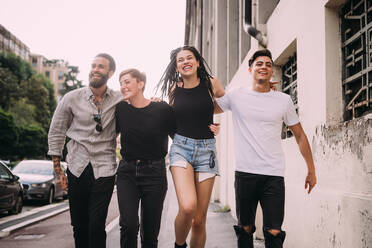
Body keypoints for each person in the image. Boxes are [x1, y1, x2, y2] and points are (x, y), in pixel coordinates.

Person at [215, 49, 317, 248]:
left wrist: (311, 170)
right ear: (250, 69)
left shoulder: (283, 100)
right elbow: (207, 108)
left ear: (272, 72)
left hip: (273, 174)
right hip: (245, 173)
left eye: (268, 65)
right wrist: (205, 83)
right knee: (244, 229)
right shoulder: (236, 95)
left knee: (274, 232)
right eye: (259, 64)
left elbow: (300, 135)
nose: (264, 67)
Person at [48, 53, 122, 248]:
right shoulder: (71, 98)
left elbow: (139, 103)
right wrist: (58, 172)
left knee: (97, 224)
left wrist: (156, 100)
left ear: (110, 72)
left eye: (101, 67)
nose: (96, 69)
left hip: (105, 168)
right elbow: (56, 133)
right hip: (77, 167)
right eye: (94, 65)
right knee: (79, 225)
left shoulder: (119, 99)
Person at [157, 45, 225, 248]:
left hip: (207, 151)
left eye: (189, 58)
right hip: (181, 149)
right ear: (176, 66)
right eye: (180, 60)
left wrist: (216, 123)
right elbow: (170, 118)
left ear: (197, 62)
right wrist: (155, 104)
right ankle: (179, 245)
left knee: (199, 220)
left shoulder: (211, 84)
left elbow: (230, 102)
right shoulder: (174, 89)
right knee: (187, 207)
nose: (185, 62)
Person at [115, 68, 176, 248]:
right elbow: (106, 133)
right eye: (121, 83)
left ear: (141, 84)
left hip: (155, 174)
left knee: (150, 233)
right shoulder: (120, 109)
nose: (123, 86)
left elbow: (179, 138)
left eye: (127, 82)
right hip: (127, 173)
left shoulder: (162, 109)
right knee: (128, 225)